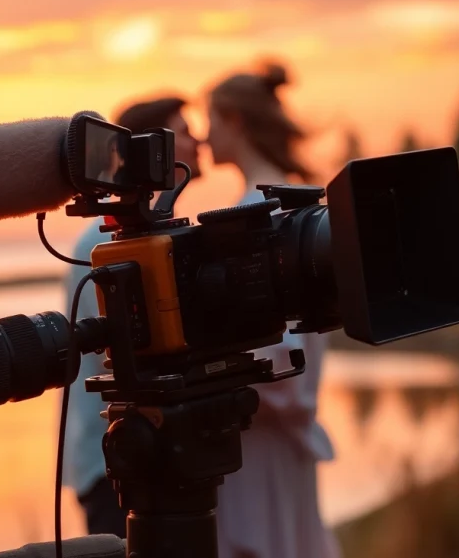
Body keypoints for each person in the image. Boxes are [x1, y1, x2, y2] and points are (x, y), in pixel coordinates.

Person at [204, 62, 341, 558]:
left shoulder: (260, 216)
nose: (204, 135)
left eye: (211, 120)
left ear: (236, 121)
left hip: (261, 439)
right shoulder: (301, 209)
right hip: (279, 435)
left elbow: (281, 352)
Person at [61, 96, 200, 538]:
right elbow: (124, 355)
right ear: (152, 149)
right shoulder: (100, 248)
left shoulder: (157, 231)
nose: (198, 140)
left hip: (151, 448)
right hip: (117, 459)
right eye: (184, 131)